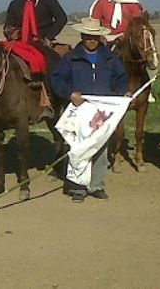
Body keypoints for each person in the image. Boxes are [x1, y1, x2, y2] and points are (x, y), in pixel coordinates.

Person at [51, 17, 128, 203]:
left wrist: (120, 94)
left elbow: (121, 78)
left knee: (100, 146)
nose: (91, 40)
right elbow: (57, 79)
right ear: (82, 35)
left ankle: (96, 185)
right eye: (88, 36)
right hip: (79, 109)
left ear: (100, 37)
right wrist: (69, 94)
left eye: (95, 36)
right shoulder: (70, 58)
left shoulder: (110, 58)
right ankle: (77, 187)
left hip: (102, 110)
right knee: (78, 147)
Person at [3, 0, 67, 118]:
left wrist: (49, 37)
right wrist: (11, 33)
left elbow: (61, 18)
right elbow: (8, 25)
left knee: (51, 62)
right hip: (20, 42)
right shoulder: (15, 3)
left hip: (40, 41)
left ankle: (50, 100)